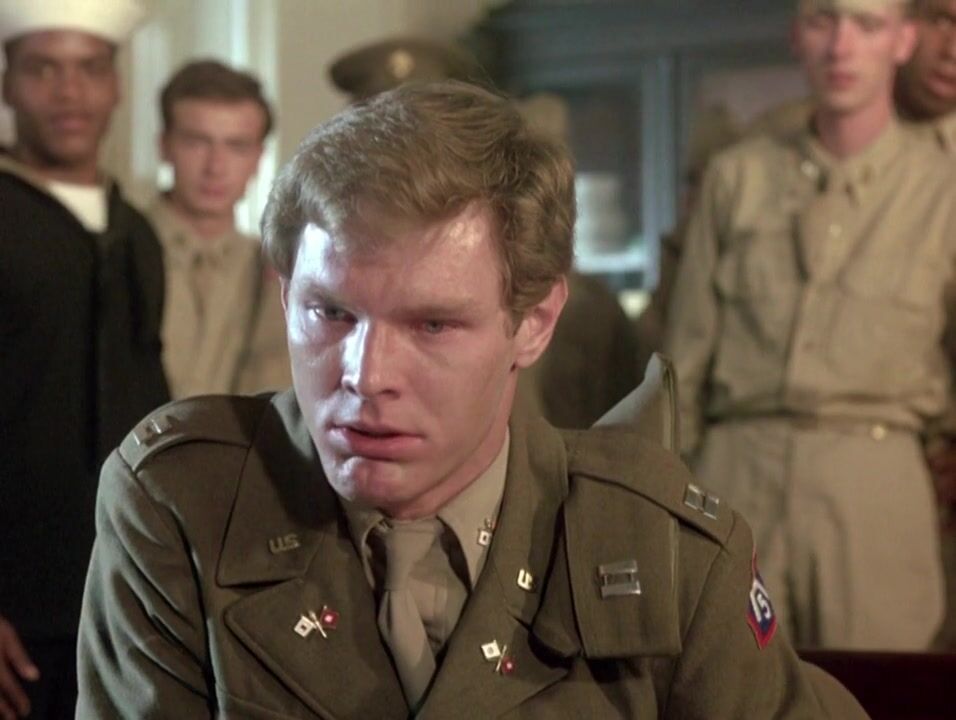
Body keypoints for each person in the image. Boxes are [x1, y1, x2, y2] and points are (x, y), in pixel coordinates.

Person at [76, 81, 866, 718]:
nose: (366, 375)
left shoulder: (663, 545)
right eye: (331, 312)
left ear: (534, 324)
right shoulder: (185, 505)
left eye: (432, 325)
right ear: (285, 295)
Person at [664, 0, 954, 650]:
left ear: (903, 40)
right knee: (725, 680)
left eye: (867, 25)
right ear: (797, 35)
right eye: (824, 20)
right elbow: (683, 366)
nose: (841, 46)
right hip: (738, 472)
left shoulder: (943, 191)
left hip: (875, 482)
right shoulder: (737, 179)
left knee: (877, 686)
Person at [0, 1, 168, 718]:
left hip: (122, 604)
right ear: (8, 83)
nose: (69, 91)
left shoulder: (137, 232)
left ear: (116, 85)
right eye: (44, 69)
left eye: (89, 69)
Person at [151, 59, 290, 399]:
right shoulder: (120, 248)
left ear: (258, 159)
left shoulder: (277, 268)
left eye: (237, 146)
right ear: (164, 146)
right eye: (196, 142)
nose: (215, 167)